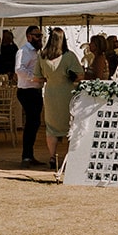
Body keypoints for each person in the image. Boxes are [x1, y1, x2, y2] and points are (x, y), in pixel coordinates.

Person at [36, 27, 83, 172]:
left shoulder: (42, 56)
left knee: (51, 128)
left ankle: (52, 156)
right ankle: (70, 157)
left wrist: (49, 78)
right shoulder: (69, 56)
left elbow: (37, 77)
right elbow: (80, 75)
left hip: (50, 93)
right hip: (67, 93)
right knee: (70, 125)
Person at [14, 25, 44, 165]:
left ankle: (29, 154)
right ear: (28, 36)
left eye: (40, 35)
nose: (39, 38)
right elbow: (19, 69)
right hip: (27, 91)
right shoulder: (24, 51)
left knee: (35, 123)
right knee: (31, 123)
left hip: (35, 90)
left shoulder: (36, 52)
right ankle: (26, 155)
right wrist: (35, 77)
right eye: (36, 35)